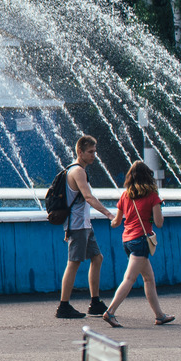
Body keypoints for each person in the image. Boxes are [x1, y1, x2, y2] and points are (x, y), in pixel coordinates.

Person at [101, 162, 175, 327]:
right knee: (129, 278)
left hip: (127, 240)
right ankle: (110, 312)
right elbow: (159, 223)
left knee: (149, 278)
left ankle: (159, 315)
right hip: (141, 241)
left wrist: (110, 218)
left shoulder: (125, 195)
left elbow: (116, 222)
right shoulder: (152, 196)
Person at [57, 135, 112, 319]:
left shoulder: (79, 170)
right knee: (73, 263)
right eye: (90, 152)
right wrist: (109, 214)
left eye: (95, 151)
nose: (94, 155)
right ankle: (63, 306)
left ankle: (94, 302)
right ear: (80, 152)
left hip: (84, 224)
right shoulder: (77, 171)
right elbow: (88, 197)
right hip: (77, 225)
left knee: (97, 258)